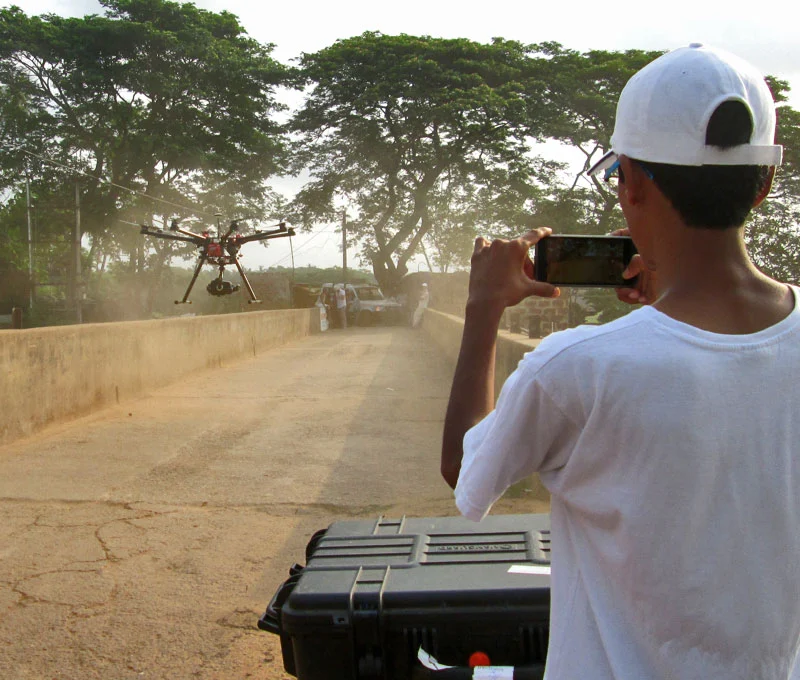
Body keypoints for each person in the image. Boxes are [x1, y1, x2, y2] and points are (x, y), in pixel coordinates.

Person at [442, 44, 800, 680]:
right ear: (766, 183)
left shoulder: (580, 369)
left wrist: (481, 310)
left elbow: (465, 466)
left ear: (628, 183)